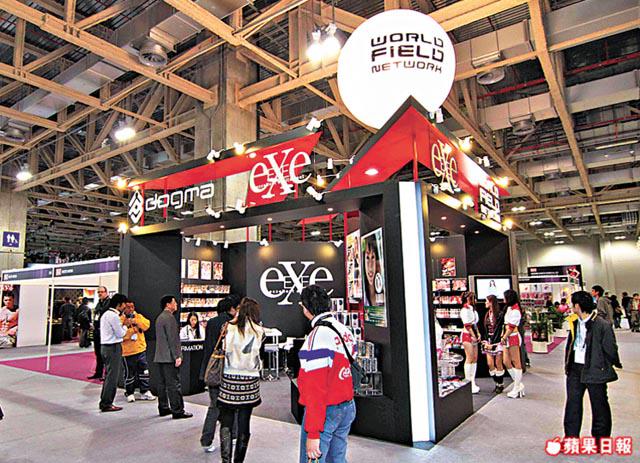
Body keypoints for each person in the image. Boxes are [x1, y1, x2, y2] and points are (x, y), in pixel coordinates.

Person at [298, 285, 357, 463]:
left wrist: (313, 432)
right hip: (346, 406)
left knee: (313, 459)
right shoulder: (344, 330)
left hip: (326, 410)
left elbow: (315, 388)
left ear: (305, 308)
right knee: (337, 458)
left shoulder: (318, 337)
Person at [563, 291, 622, 444]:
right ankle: (571, 438)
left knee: (599, 405)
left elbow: (610, 348)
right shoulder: (574, 322)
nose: (571, 307)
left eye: (572, 304)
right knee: (573, 404)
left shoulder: (602, 325)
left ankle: (601, 440)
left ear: (577, 306)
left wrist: (609, 364)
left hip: (595, 368)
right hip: (575, 369)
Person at [217, 297, 265, 463]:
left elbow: (223, 349)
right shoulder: (260, 331)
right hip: (250, 381)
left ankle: (226, 460)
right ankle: (239, 461)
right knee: (244, 423)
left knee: (226, 422)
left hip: (229, 378)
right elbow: (260, 355)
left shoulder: (228, 327)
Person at [200, 295, 240, 453]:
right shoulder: (232, 324)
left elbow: (208, 346)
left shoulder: (211, 323)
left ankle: (206, 440)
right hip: (229, 369)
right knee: (233, 405)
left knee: (214, 406)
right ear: (231, 309)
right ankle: (234, 436)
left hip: (213, 369)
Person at [154, 295, 192, 420]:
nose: (176, 305)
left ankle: (163, 407)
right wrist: (177, 355)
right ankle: (177, 410)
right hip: (169, 357)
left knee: (162, 384)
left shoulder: (160, 318)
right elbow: (173, 339)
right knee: (174, 384)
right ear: (168, 304)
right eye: (174, 302)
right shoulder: (169, 318)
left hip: (160, 356)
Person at [98, 293, 128, 412]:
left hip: (105, 347)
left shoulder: (105, 314)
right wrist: (125, 326)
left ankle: (105, 401)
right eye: (124, 304)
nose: (125, 307)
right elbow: (120, 333)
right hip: (113, 347)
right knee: (112, 377)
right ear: (119, 304)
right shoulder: (114, 316)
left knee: (109, 375)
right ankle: (107, 403)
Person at [121, 300, 155, 403]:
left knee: (144, 372)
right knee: (129, 374)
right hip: (128, 352)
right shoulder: (121, 319)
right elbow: (121, 335)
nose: (131, 309)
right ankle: (129, 392)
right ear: (124, 308)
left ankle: (145, 391)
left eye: (132, 307)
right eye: (128, 307)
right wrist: (132, 330)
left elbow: (146, 325)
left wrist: (135, 321)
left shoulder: (138, 316)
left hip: (141, 350)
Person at [502, 289, 525, 399]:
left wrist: (504, 337)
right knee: (506, 361)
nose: (503, 299)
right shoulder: (509, 308)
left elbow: (511, 327)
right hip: (507, 336)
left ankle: (516, 387)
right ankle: (518, 384)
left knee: (516, 361)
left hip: (512, 337)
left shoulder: (516, 311)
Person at [482, 294, 505, 393]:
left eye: (486, 301)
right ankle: (497, 382)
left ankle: (500, 384)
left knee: (498, 363)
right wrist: (486, 341)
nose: (485, 303)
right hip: (489, 341)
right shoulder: (487, 314)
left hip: (497, 342)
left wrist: (494, 342)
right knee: (490, 364)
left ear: (491, 302)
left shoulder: (499, 314)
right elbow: (485, 329)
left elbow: (500, 329)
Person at [460, 291, 480, 394]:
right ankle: (468, 381)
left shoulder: (473, 310)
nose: (474, 300)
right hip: (467, 335)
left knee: (475, 358)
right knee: (469, 357)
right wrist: (473, 335)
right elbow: (467, 325)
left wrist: (478, 334)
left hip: (474, 334)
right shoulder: (464, 310)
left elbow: (474, 324)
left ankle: (473, 380)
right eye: (472, 298)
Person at [88, 287, 110, 379]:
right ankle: (98, 372)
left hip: (104, 331)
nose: (100, 294)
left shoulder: (109, 303)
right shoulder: (98, 303)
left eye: (102, 292)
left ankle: (106, 374)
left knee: (105, 354)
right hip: (97, 330)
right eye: (98, 292)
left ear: (106, 292)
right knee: (98, 353)